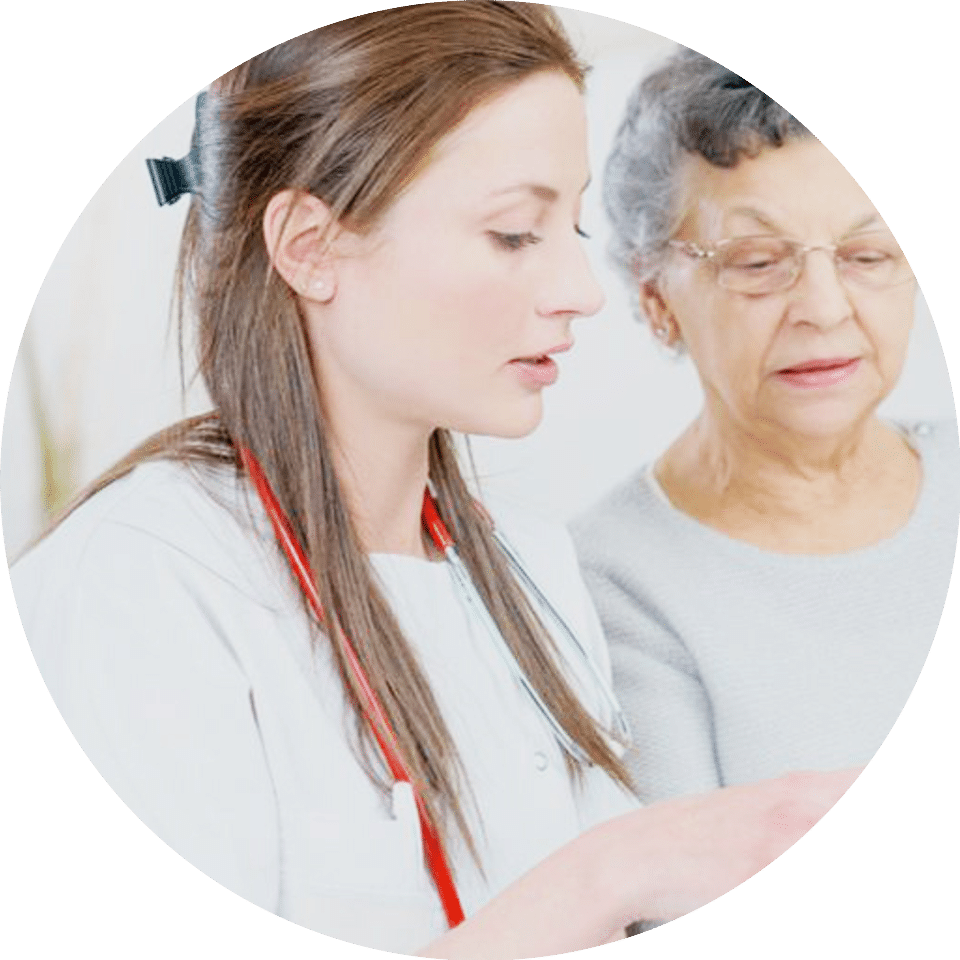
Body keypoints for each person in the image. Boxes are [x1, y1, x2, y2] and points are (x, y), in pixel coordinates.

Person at [9, 7, 857, 956]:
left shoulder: (527, 566)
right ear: (309, 247)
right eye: (514, 233)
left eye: (572, 225)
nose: (581, 290)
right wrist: (610, 873)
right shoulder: (137, 588)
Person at [573, 48, 959, 806]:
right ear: (656, 298)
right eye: (756, 262)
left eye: (866, 254)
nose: (824, 308)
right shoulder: (609, 579)